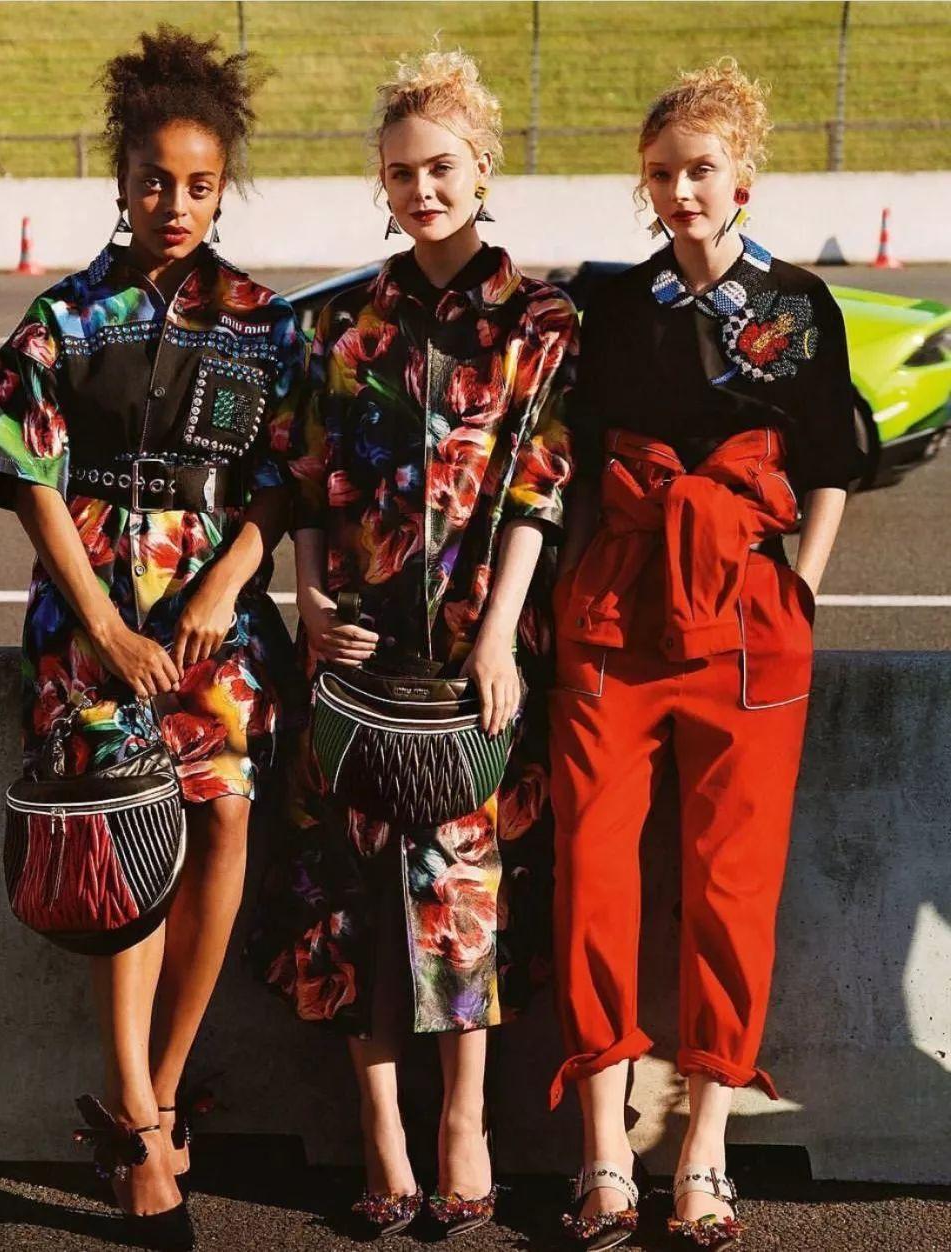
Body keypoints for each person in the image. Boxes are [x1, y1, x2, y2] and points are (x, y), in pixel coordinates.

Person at [0, 26, 304, 1252]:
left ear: (223, 187)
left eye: (199, 185)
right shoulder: (66, 314)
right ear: (123, 179)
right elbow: (20, 463)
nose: (176, 205)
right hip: (91, 617)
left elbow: (287, 477)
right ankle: (139, 1121)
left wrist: (226, 587)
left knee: (226, 813)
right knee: (121, 825)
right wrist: (100, 623)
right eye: (156, 182)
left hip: (216, 613)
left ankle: (163, 1082)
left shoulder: (261, 320)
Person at [248, 47, 577, 1238]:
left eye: (440, 166)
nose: (421, 189)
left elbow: (538, 486)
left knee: (462, 893)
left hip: (474, 655)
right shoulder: (342, 321)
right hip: (355, 656)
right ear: (380, 185)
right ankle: (382, 1132)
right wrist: (306, 599)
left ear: (482, 168)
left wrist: (499, 640)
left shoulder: (540, 321)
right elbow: (302, 476)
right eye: (400, 173)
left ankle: (463, 1127)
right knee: (349, 901)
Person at [550, 59, 861, 1250]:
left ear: (743, 179)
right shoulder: (612, 306)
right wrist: (575, 595)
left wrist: (800, 587)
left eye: (700, 170)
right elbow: (580, 466)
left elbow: (829, 464)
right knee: (594, 875)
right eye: (661, 173)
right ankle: (601, 1149)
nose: (680, 191)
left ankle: (704, 1146)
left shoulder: (800, 306)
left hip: (748, 616)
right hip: (617, 613)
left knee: (731, 885)